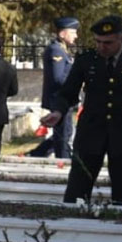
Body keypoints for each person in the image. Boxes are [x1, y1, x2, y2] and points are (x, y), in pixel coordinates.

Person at [41, 15, 122, 206]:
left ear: (121, 39)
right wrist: (58, 112)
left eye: (108, 42)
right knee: (76, 194)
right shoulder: (86, 59)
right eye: (98, 42)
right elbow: (68, 92)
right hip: (90, 133)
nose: (102, 47)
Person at [30, 17, 79, 158]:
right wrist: (76, 83)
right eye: (73, 32)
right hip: (59, 99)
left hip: (65, 99)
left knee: (65, 133)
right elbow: (58, 78)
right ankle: (62, 160)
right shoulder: (56, 51)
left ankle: (37, 154)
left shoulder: (62, 50)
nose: (76, 36)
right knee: (63, 135)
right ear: (62, 34)